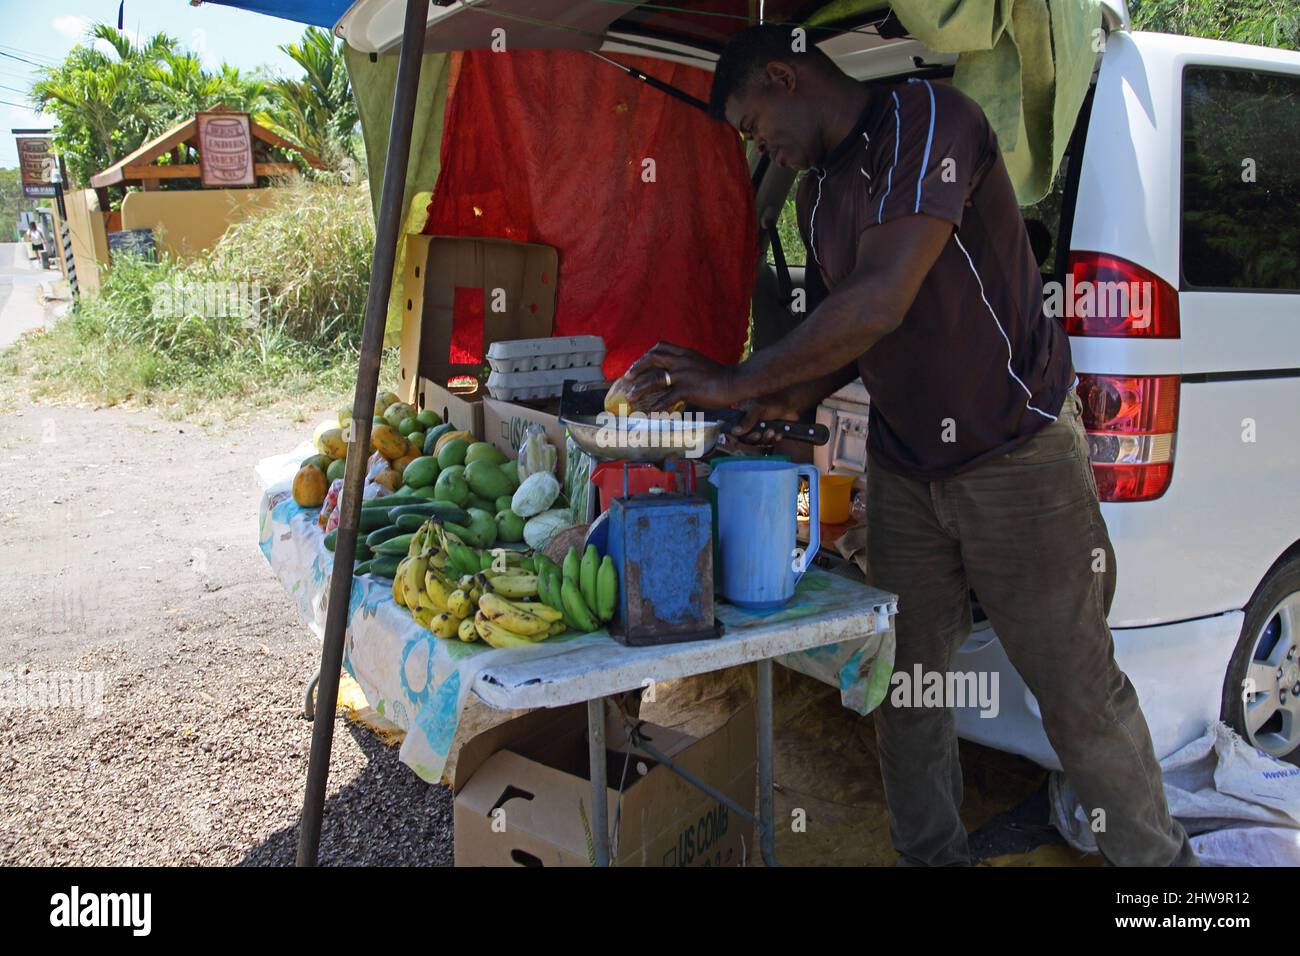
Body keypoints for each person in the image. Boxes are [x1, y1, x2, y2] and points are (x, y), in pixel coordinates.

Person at [625, 24, 1194, 866]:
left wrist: (733, 378)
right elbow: (842, 335)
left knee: (1077, 696)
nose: (763, 147)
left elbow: (884, 296)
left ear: (785, 76)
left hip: (1017, 457)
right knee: (904, 683)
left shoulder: (930, 123)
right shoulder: (818, 195)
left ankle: (1169, 880)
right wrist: (777, 405)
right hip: (904, 469)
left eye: (754, 126)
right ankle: (931, 856)